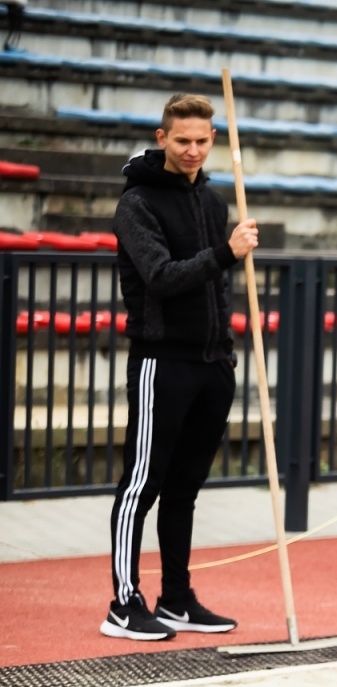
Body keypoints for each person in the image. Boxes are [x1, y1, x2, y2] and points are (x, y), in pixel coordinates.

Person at [103, 93, 258, 641]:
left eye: (202, 140)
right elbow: (163, 278)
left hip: (214, 362)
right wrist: (226, 252)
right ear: (162, 137)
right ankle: (123, 603)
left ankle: (176, 598)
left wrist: (229, 348)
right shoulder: (137, 203)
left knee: (186, 487)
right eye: (183, 140)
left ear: (213, 139)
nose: (193, 150)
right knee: (142, 482)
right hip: (161, 361)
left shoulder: (214, 202)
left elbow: (216, 287)